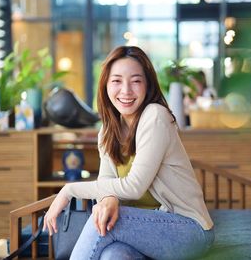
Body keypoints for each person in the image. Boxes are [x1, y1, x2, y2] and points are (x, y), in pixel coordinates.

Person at [43, 46, 214, 260]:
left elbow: (134, 186)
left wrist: (69, 191)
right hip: (145, 230)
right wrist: (110, 199)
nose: (126, 91)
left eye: (135, 81)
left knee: (106, 223)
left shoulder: (155, 116)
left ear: (147, 84)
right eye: (116, 81)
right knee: (112, 255)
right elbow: (107, 179)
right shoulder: (107, 130)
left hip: (189, 230)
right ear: (105, 85)